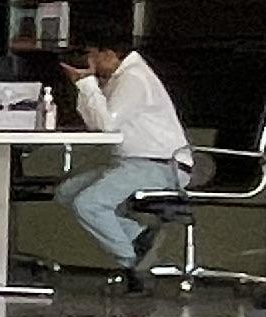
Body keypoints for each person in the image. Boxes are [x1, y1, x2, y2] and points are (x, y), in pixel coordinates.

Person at [58, 21, 192, 279]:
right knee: (67, 192)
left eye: (92, 56)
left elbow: (107, 125)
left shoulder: (134, 78)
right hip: (134, 164)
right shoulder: (118, 78)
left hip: (160, 165)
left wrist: (87, 85)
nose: (91, 63)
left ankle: (134, 265)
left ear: (109, 54)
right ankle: (139, 237)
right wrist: (85, 86)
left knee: (88, 204)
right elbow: (95, 123)